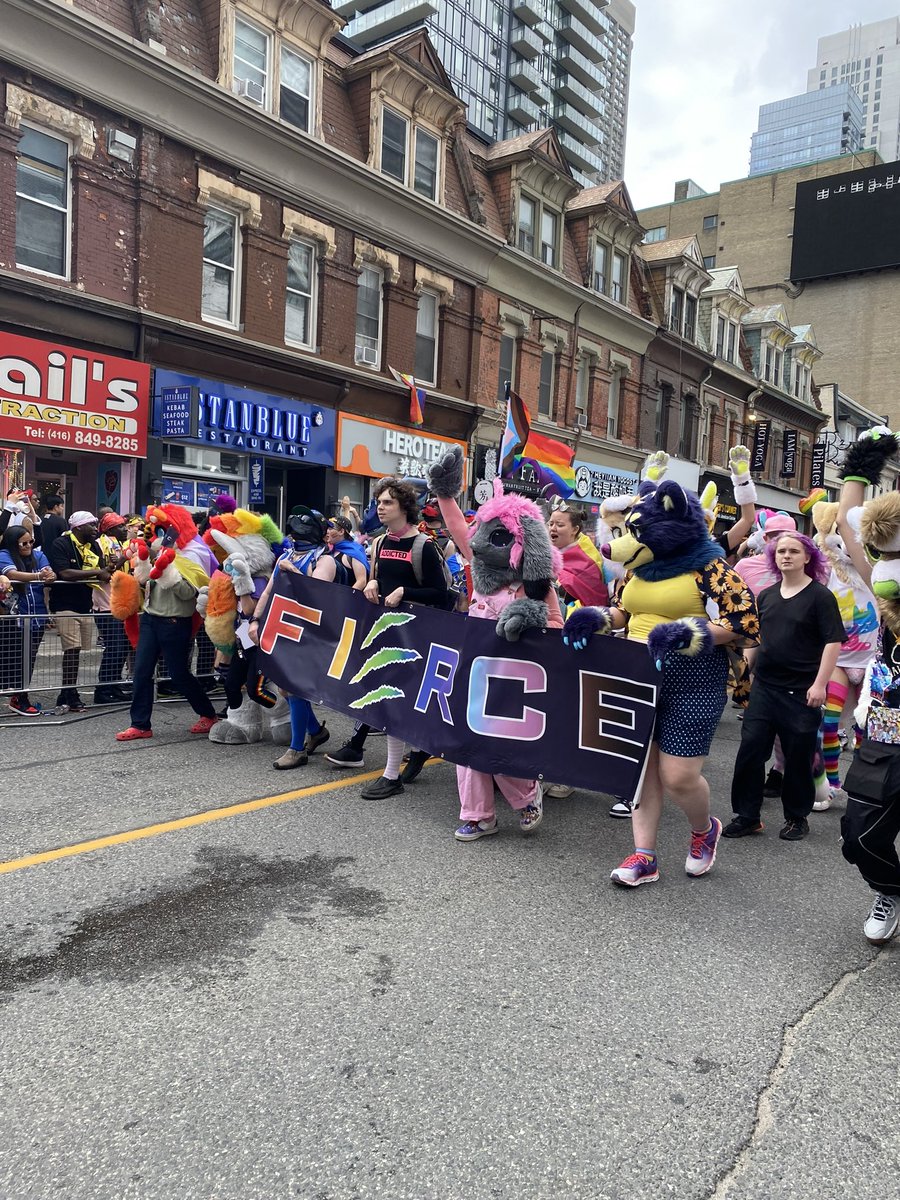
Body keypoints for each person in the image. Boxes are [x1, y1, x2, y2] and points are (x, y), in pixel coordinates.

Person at [563, 478, 758, 887]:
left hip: (694, 679)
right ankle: (644, 855)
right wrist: (594, 619)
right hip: (637, 676)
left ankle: (704, 829)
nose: (624, 543)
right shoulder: (639, 571)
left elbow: (745, 622)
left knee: (678, 777)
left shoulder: (710, 568)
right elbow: (623, 613)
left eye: (639, 532)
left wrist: (693, 632)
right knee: (642, 772)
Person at [326, 477, 450, 794]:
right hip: (387, 634)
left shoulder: (424, 546)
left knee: (401, 702)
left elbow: (443, 594)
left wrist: (404, 591)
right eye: (379, 502)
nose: (380, 508)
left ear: (404, 508)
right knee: (390, 700)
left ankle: (401, 767)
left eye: (387, 502)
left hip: (417, 637)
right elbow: (378, 578)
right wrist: (373, 583)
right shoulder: (380, 543)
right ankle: (398, 768)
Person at [724, 533, 845, 842]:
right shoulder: (766, 596)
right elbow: (755, 639)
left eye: (793, 551)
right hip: (765, 688)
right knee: (751, 750)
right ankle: (748, 816)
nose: (786, 555)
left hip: (802, 691)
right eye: (781, 551)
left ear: (808, 558)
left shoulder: (820, 597)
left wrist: (820, 685)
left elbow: (833, 643)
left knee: (798, 756)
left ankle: (796, 817)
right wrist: (744, 672)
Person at [249, 508, 336, 769]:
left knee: (295, 686)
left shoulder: (325, 559)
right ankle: (315, 731)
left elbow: (315, 595)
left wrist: (292, 572)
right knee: (285, 688)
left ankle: (297, 749)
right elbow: (268, 593)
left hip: (310, 632)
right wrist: (255, 620)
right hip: (283, 628)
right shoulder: (286, 556)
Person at [115, 531, 217, 741]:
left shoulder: (190, 562)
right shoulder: (155, 559)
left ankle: (208, 713)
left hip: (175, 622)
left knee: (179, 674)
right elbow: (147, 585)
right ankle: (140, 724)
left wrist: (166, 571)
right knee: (142, 672)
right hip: (151, 620)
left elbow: (189, 594)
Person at [46, 511, 110, 713]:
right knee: (71, 650)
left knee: (79, 650)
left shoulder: (95, 546)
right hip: (65, 604)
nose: (95, 528)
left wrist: (108, 568)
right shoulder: (61, 544)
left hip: (85, 604)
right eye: (91, 524)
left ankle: (68, 694)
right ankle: (69, 694)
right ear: (78, 527)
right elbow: (64, 573)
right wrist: (97, 572)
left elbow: (102, 572)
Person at [0, 526, 55, 714]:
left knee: (29, 659)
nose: (29, 545)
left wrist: (50, 576)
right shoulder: (4, 554)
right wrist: (39, 576)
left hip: (37, 616)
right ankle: (18, 696)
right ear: (13, 543)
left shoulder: (38, 556)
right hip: (14, 618)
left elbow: (49, 572)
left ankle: (20, 697)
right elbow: (12, 574)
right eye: (24, 543)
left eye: (31, 541)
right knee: (14, 658)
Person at [91, 513, 132, 704]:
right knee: (114, 648)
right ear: (109, 530)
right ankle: (103, 690)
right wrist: (123, 558)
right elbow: (106, 570)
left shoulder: (121, 545)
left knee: (122, 648)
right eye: (120, 526)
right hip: (105, 604)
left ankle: (113, 686)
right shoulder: (100, 544)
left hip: (121, 603)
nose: (125, 529)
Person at [326, 516, 368, 589]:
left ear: (341, 532)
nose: (327, 531)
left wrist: (347, 598)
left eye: (330, 528)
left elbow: (361, 581)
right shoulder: (330, 551)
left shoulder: (354, 552)